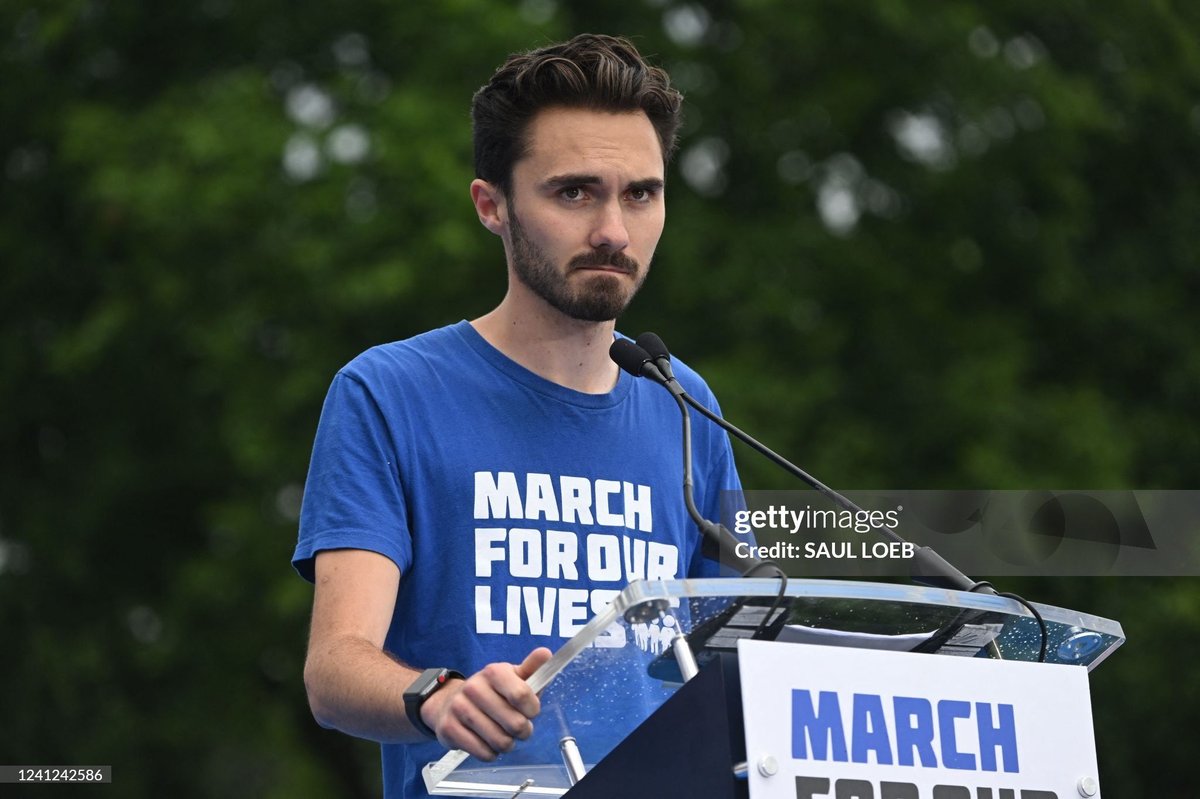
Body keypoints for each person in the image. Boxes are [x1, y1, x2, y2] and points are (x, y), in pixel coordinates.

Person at [293, 33, 743, 797]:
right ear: (491, 205)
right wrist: (439, 697)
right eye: (574, 193)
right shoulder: (388, 393)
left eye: (641, 193)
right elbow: (334, 668)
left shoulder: (685, 403)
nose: (614, 230)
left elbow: (735, 661)